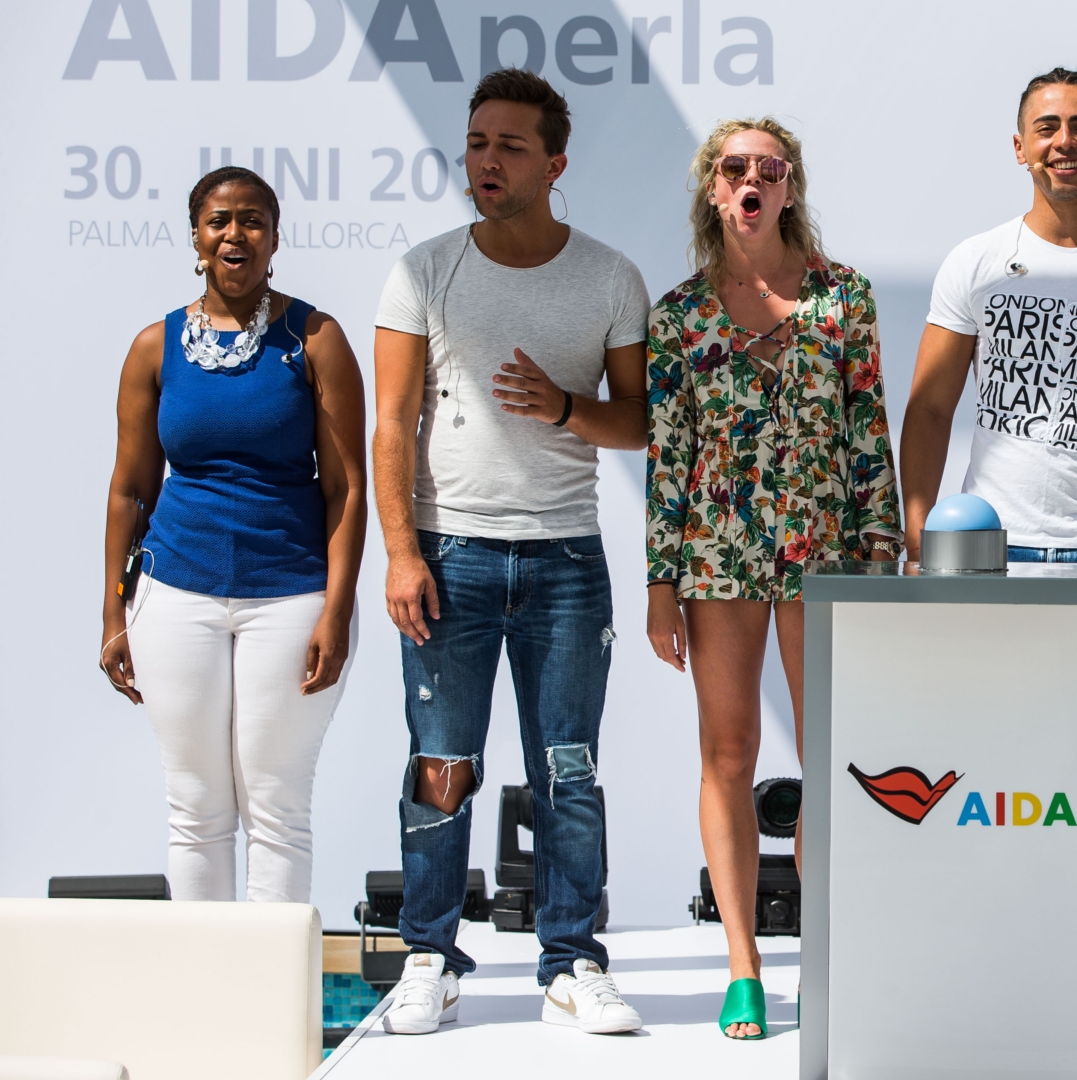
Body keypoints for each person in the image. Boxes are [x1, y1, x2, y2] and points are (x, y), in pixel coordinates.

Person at [898, 67, 1077, 1050]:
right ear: (1019, 146)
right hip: (984, 555)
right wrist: (918, 536)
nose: (1065, 140)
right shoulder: (979, 262)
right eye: (1047, 126)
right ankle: (983, 962)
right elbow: (929, 409)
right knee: (974, 764)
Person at [370, 69, 651, 1037]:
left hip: (565, 561)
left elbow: (641, 422)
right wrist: (401, 554)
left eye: (510, 146)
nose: (486, 161)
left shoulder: (609, 277)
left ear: (554, 164)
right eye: (477, 142)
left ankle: (573, 963)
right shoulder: (423, 270)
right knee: (441, 763)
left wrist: (565, 407)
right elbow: (390, 424)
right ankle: (428, 958)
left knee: (568, 770)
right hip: (449, 555)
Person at [644, 117, 902, 1040]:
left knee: (831, 757)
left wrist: (882, 548)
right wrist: (660, 582)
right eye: (734, 168)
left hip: (825, 550)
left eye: (769, 168)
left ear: (790, 186)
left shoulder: (844, 296)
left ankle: (823, 959)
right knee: (729, 752)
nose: (751, 180)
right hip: (718, 553)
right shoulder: (678, 315)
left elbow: (868, 428)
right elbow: (668, 453)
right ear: (712, 188)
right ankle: (744, 966)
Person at [99, 166, 366, 904]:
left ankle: (266, 978)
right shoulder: (154, 347)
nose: (234, 234)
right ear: (196, 236)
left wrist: (337, 610)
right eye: (219, 221)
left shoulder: (315, 339)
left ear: (275, 239)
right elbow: (129, 492)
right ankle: (201, 975)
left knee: (276, 810)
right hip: (174, 594)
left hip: (291, 596)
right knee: (195, 810)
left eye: (252, 220)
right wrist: (113, 613)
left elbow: (345, 490)